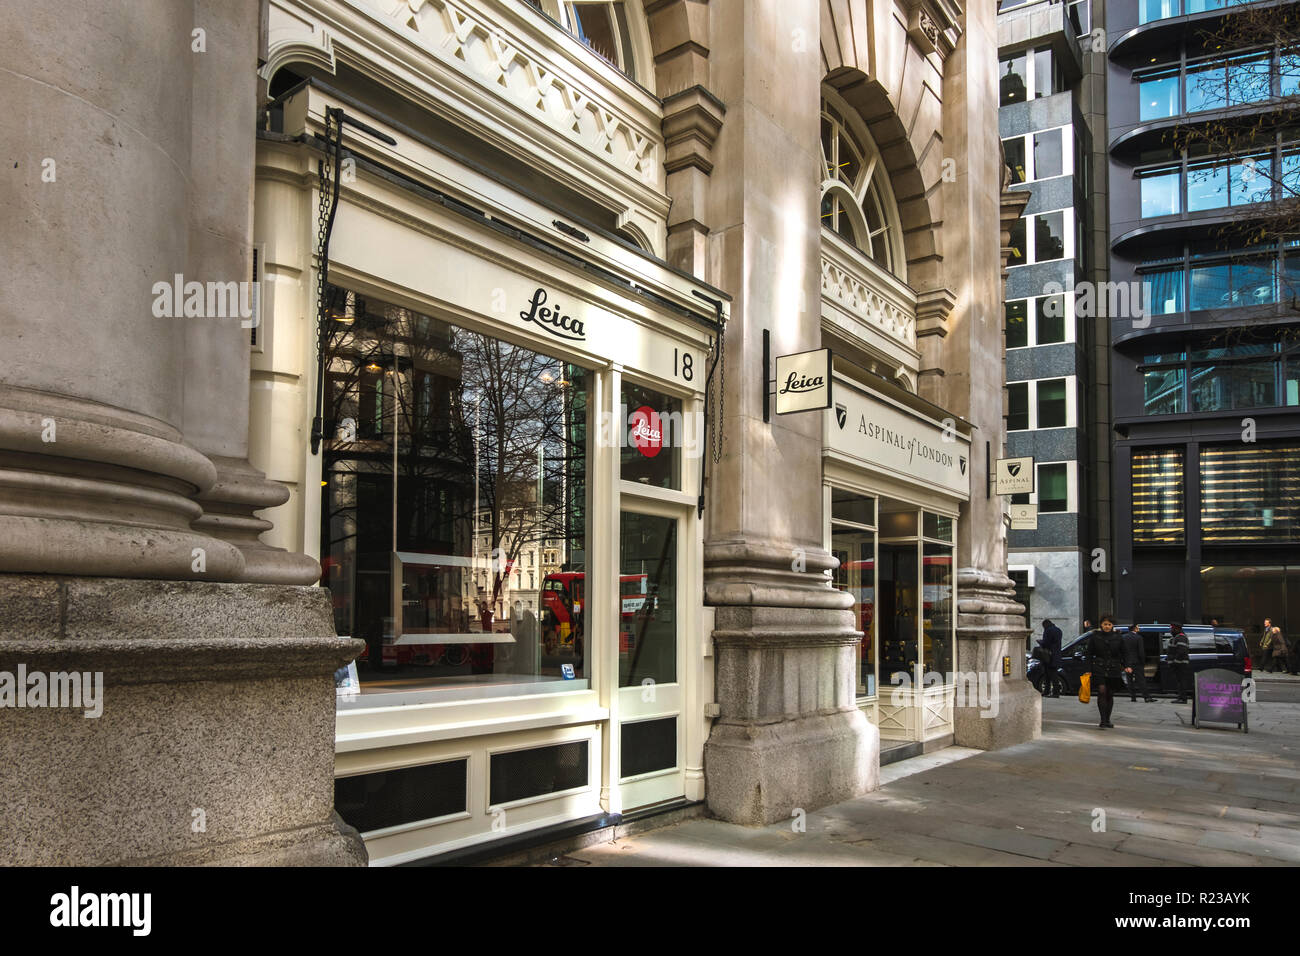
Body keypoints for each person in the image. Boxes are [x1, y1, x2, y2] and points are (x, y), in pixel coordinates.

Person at [1085, 615, 1126, 728]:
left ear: (1112, 625)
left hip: (1113, 668)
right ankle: (1103, 720)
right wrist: (1088, 670)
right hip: (1099, 667)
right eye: (1105, 624)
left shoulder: (1118, 637)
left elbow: (1124, 652)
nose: (1107, 626)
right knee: (1102, 691)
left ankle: (1108, 719)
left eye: (1109, 624)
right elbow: (1088, 654)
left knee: (1110, 693)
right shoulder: (1095, 637)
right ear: (1101, 625)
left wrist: (1127, 666)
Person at [1123, 623, 1156, 703]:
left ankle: (1133, 697)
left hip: (1127, 662)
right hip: (1137, 662)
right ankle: (1146, 697)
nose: (1139, 628)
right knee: (1141, 680)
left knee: (1129, 680)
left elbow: (1122, 651)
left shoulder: (1123, 637)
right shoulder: (1138, 637)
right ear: (1134, 628)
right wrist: (1143, 662)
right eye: (1137, 627)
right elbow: (1141, 652)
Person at [1037, 619, 1062, 698]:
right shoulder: (1058, 630)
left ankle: (1052, 692)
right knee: (1053, 674)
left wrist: (1040, 642)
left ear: (1045, 625)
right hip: (1056, 655)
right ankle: (1051, 692)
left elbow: (1046, 643)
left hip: (1048, 656)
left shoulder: (1048, 630)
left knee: (1048, 675)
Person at [1168, 622, 1192, 703]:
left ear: (1177, 629)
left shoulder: (1181, 637)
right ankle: (1180, 697)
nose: (1171, 630)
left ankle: (1183, 699)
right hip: (1179, 664)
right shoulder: (1176, 638)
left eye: (1172, 628)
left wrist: (1175, 662)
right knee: (1180, 682)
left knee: (1182, 681)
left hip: (1181, 664)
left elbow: (1181, 652)